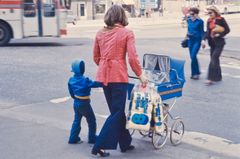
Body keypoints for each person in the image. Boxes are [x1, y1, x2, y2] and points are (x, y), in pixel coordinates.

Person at [91, 5, 147, 157]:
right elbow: (133, 57)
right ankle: (99, 146)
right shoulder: (127, 33)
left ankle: (125, 142)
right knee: (117, 112)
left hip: (104, 76)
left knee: (116, 111)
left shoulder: (100, 33)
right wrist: (140, 74)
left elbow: (96, 57)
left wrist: (104, 66)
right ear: (122, 17)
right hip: (118, 76)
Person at [68, 59, 102, 144]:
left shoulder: (71, 80)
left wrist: (76, 98)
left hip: (76, 102)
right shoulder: (85, 80)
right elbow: (96, 84)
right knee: (91, 120)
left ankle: (73, 138)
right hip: (85, 103)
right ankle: (92, 138)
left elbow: (71, 93)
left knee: (77, 120)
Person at [201, 6, 230, 85]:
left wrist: (219, 34)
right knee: (215, 60)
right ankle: (218, 77)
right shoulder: (209, 21)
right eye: (208, 13)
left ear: (215, 12)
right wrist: (203, 40)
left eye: (211, 13)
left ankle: (210, 79)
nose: (209, 14)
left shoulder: (221, 20)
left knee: (214, 58)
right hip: (212, 44)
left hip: (220, 43)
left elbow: (227, 30)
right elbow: (207, 32)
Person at [187, 7, 204, 80]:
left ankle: (195, 74)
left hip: (197, 41)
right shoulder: (189, 20)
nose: (191, 14)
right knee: (192, 57)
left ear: (196, 13)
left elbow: (202, 32)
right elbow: (188, 30)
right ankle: (195, 73)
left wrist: (203, 40)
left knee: (193, 56)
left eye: (192, 13)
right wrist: (186, 37)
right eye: (190, 13)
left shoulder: (200, 21)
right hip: (190, 40)